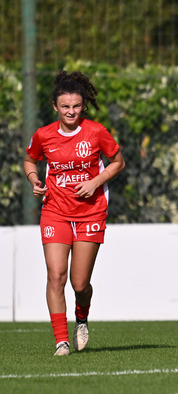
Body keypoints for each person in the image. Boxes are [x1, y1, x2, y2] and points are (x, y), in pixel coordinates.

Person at [23, 71, 125, 356]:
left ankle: (81, 315)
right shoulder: (43, 135)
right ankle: (61, 341)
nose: (71, 112)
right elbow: (30, 160)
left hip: (91, 212)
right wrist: (34, 181)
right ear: (55, 106)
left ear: (84, 106)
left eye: (77, 106)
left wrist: (94, 182)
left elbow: (118, 163)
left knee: (79, 283)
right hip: (55, 211)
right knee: (56, 276)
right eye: (65, 106)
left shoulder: (96, 132)